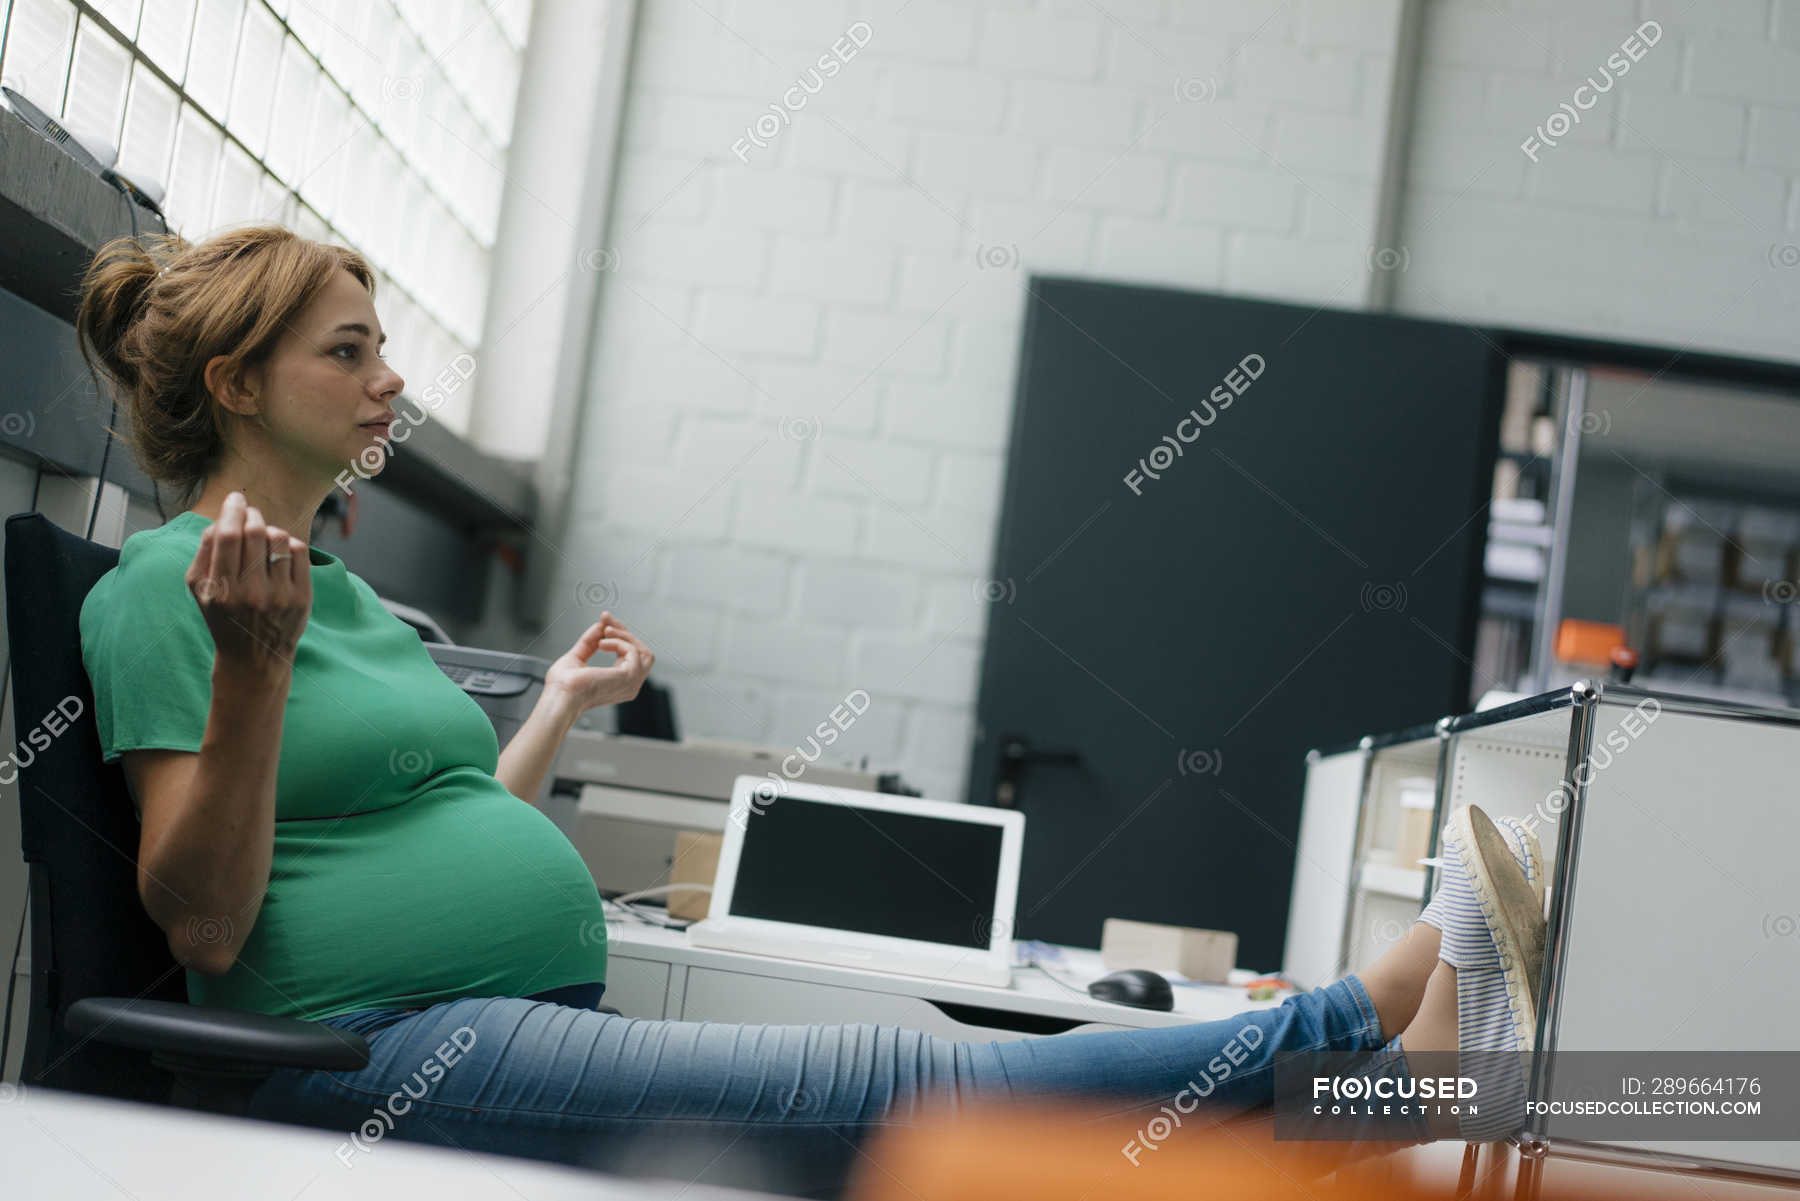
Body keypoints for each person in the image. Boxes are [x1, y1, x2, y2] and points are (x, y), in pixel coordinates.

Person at [72, 225, 1547, 1194]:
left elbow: (438, 824)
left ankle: (1379, 1083)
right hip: (366, 1053)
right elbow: (201, 923)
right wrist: (253, 666)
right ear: (236, 382)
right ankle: (1371, 1030)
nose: (391, 376)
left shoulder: (335, 592)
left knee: (920, 1062)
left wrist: (559, 714)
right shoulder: (164, 593)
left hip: (492, 1005)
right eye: (350, 350)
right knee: (910, 1079)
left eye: (384, 341)